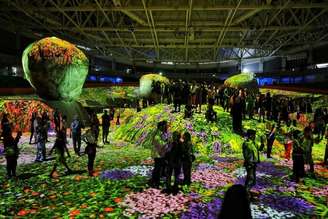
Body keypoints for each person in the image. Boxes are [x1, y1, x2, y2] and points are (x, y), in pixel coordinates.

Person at [150, 121, 170, 188]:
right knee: (158, 168)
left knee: (162, 167)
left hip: (163, 154)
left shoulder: (164, 133)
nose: (167, 127)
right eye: (165, 126)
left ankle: (158, 181)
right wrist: (167, 142)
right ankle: (155, 182)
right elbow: (159, 143)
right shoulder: (157, 134)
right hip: (158, 154)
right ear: (161, 126)